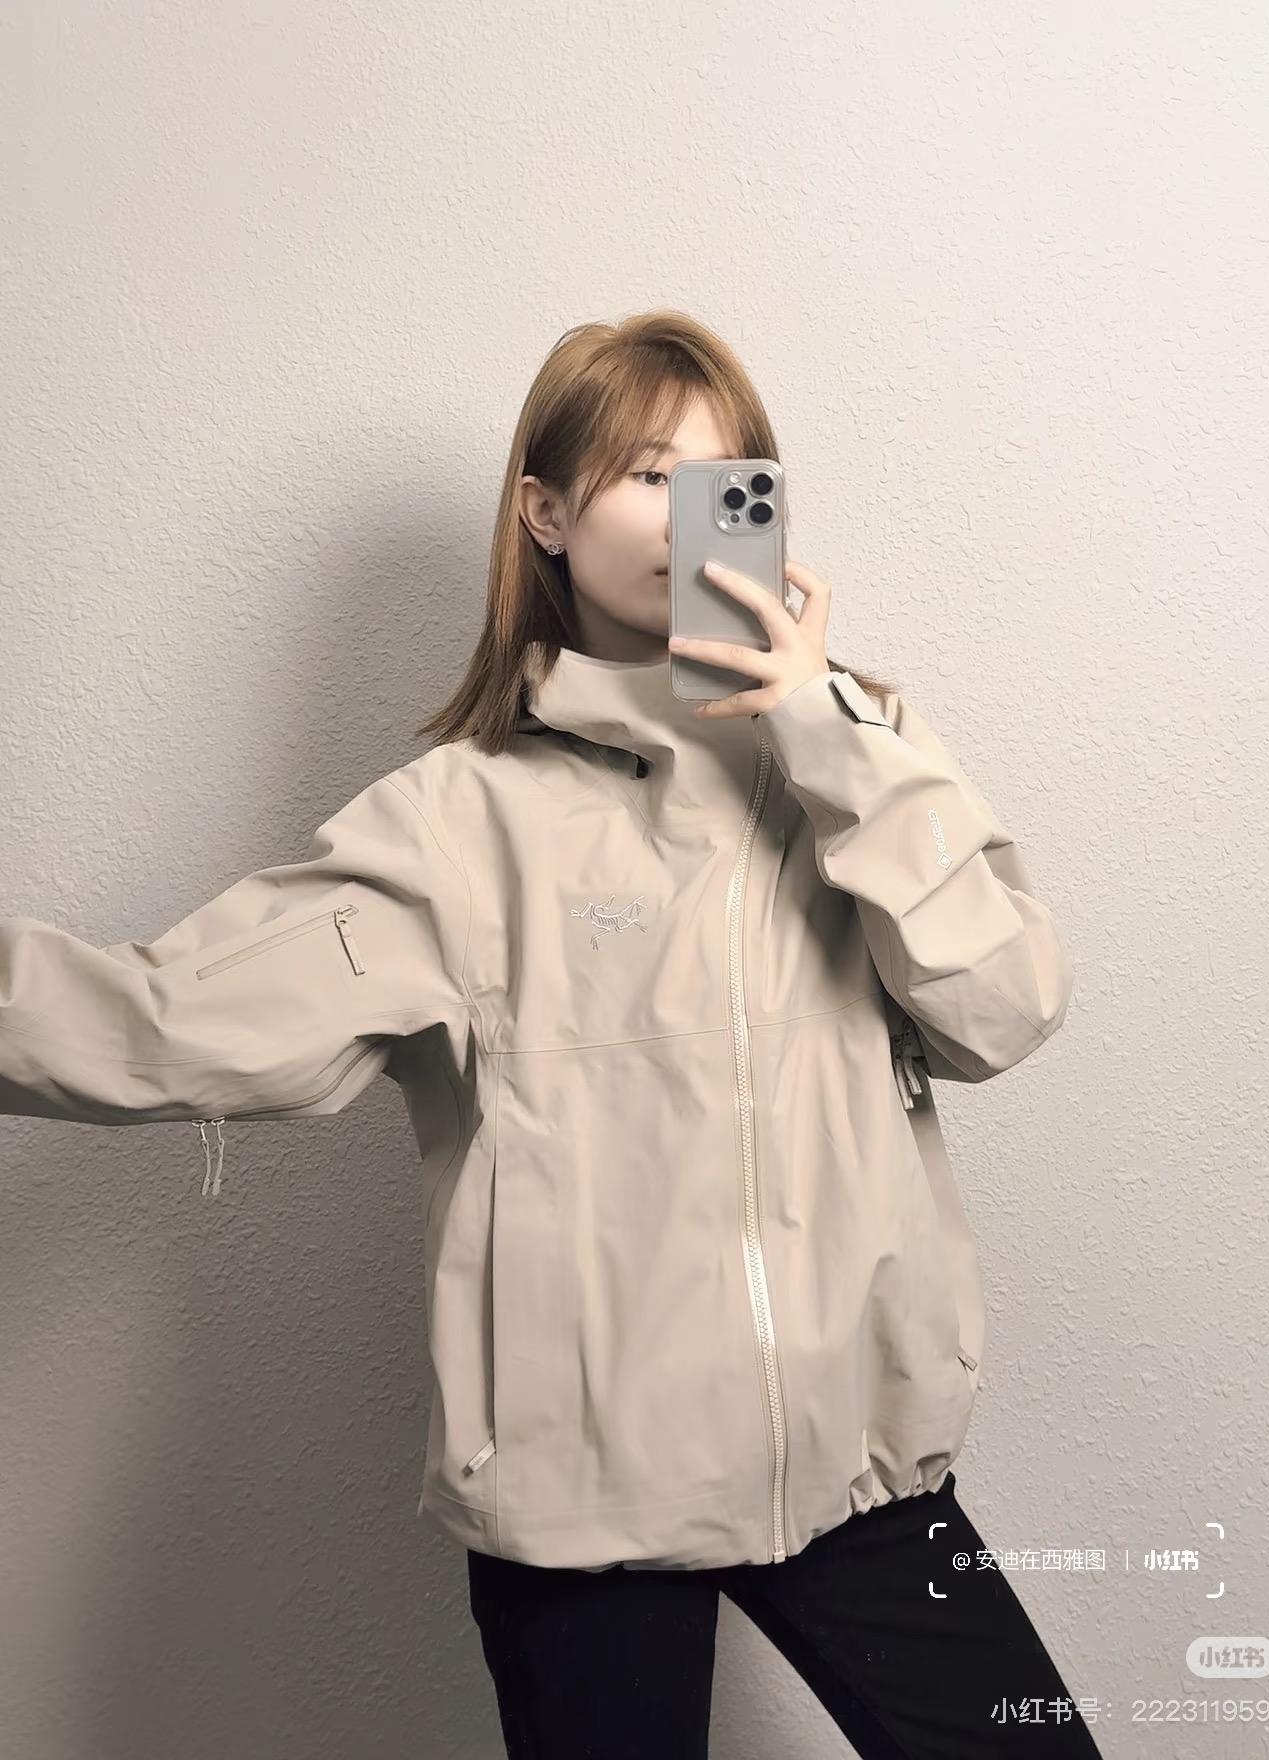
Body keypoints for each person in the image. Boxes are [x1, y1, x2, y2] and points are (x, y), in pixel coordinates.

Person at [1, 309, 1101, 1757]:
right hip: (586, 1508)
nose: (691, 513)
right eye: (649, 474)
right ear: (546, 512)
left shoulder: (859, 762)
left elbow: (1003, 1008)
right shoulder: (459, 826)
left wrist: (830, 736)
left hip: (858, 1470)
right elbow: (168, 1014)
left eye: (728, 478)